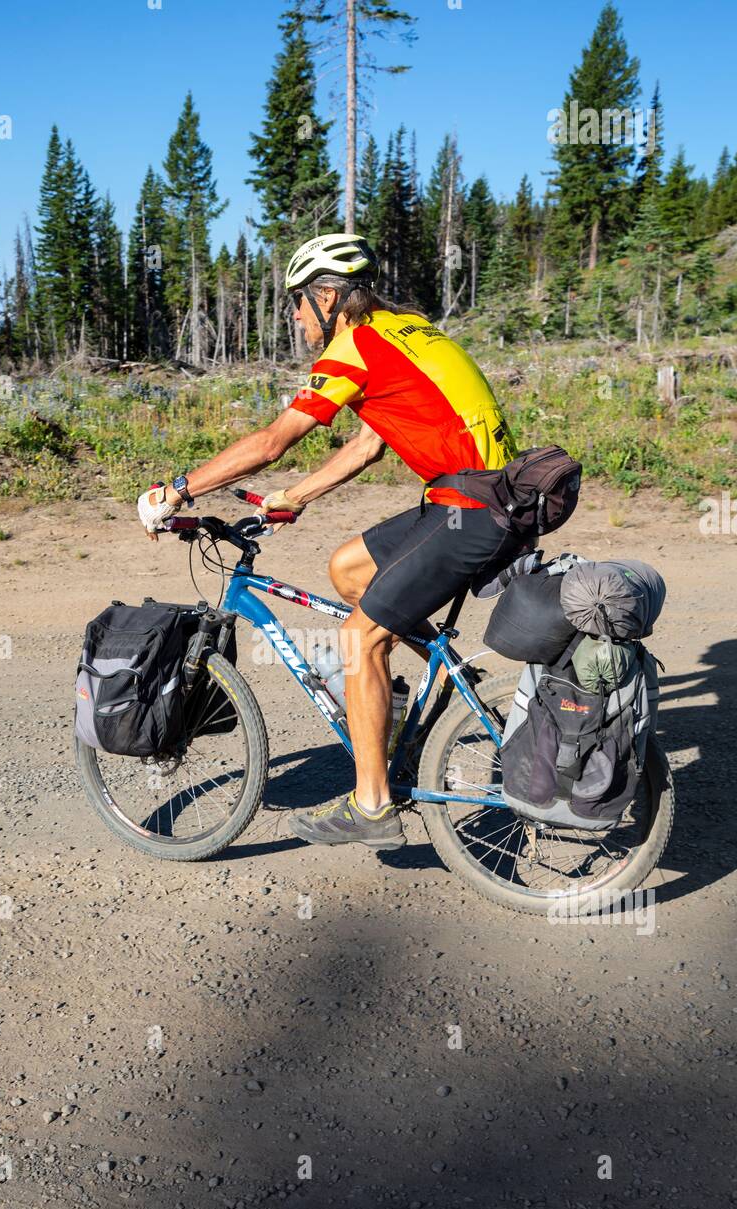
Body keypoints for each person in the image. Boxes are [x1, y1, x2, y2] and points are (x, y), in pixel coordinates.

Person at [137, 232, 523, 849]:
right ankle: (402, 704)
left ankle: (371, 805)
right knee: (347, 569)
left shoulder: (355, 346)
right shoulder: (407, 330)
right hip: (486, 495)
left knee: (357, 637)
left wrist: (178, 491)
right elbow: (370, 442)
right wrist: (300, 495)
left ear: (329, 296)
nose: (293, 315)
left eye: (297, 301)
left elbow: (271, 442)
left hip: (473, 507)